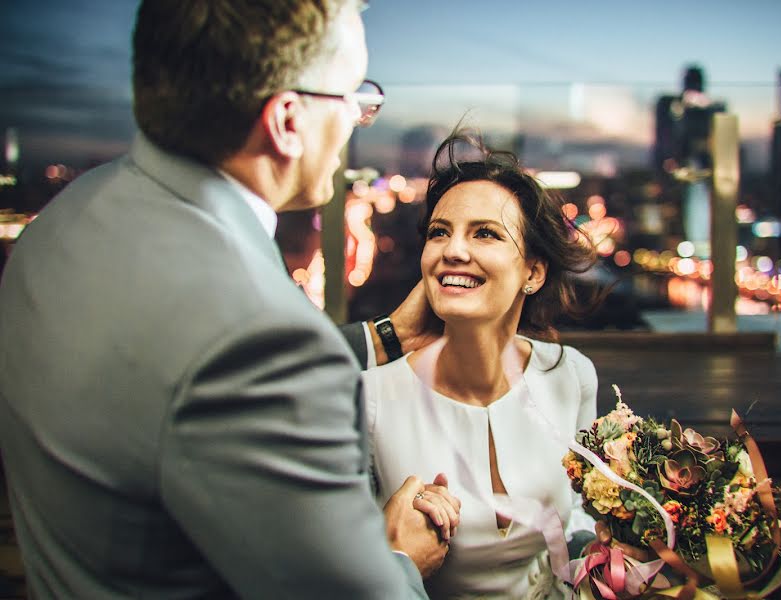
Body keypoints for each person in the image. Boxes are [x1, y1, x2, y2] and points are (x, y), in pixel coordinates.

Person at [0, 1, 458, 598]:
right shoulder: (256, 335)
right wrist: (398, 557)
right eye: (351, 96)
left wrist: (383, 336)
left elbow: (172, 374)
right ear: (287, 120)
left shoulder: (63, 220)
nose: (357, 119)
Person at [362, 129, 604, 599]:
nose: (453, 251)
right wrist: (391, 549)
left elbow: (579, 513)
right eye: (439, 233)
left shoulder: (572, 375)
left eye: (485, 233)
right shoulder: (370, 397)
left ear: (532, 272)